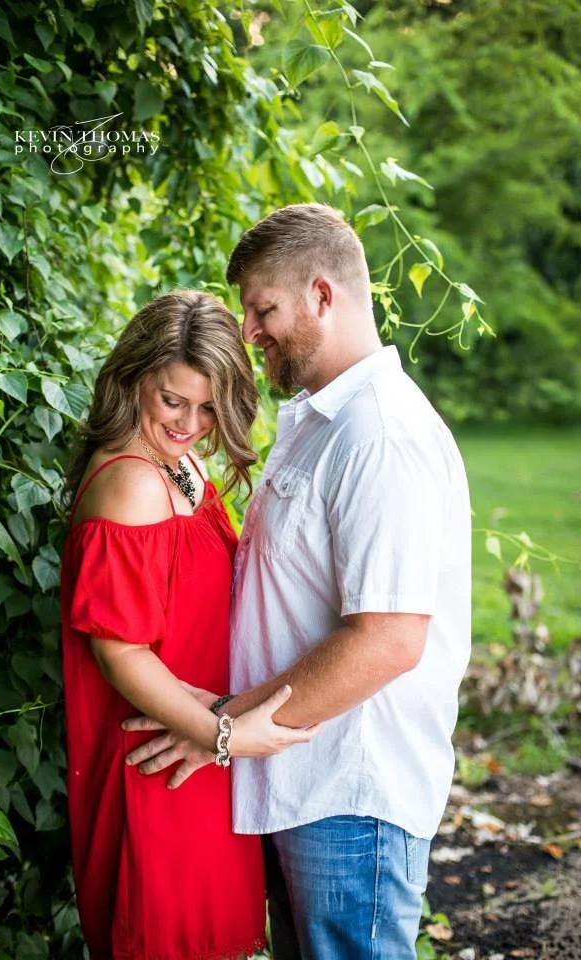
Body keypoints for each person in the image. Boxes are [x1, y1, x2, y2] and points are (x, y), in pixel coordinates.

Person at [124, 205, 472, 960]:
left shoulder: (379, 435)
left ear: (322, 295)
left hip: (352, 794)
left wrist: (220, 729)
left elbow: (388, 639)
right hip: (302, 779)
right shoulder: (323, 419)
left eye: (262, 308)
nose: (248, 331)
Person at [60, 290, 318, 960]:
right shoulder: (132, 482)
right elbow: (120, 651)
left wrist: (222, 733)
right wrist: (225, 734)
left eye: (208, 407)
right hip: (161, 761)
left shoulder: (183, 465)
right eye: (172, 399)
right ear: (133, 377)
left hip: (202, 751)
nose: (190, 422)